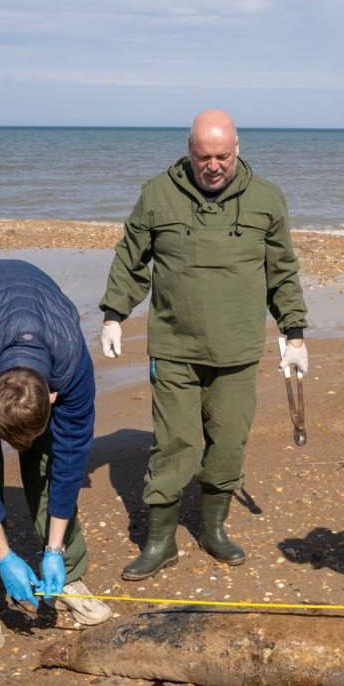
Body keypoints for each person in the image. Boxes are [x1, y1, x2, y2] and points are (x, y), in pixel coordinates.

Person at [99, 109, 309, 580]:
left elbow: (282, 271)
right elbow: (131, 258)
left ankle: (213, 528)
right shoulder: (157, 194)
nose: (213, 166)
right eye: (203, 157)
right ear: (189, 151)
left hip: (237, 350)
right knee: (174, 443)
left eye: (222, 156)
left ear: (237, 149)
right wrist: (114, 314)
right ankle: (160, 542)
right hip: (174, 346)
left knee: (229, 441)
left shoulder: (266, 199)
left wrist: (294, 332)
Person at [0, 258, 112, 652]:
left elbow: (71, 462)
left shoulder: (72, 369)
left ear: (52, 397)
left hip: (42, 309)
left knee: (50, 457)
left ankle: (66, 573)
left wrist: (52, 550)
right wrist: (4, 557)